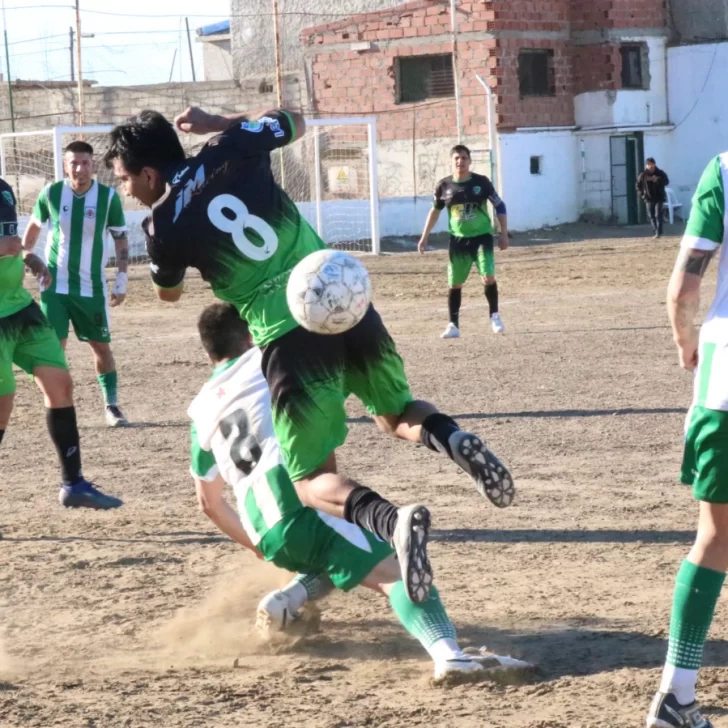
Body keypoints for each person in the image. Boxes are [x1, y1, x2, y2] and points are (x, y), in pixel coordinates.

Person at [103, 107, 515, 604]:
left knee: (310, 480)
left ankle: (392, 521)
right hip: (342, 293)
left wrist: (164, 258)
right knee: (395, 413)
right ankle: (455, 438)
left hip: (286, 332)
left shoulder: (161, 226)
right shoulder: (229, 148)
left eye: (125, 179)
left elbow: (167, 294)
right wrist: (218, 123)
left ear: (149, 173)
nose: (126, 191)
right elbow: (294, 120)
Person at [190, 302, 531, 682]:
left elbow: (210, 503)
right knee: (399, 570)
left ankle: (290, 597)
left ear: (209, 352)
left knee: (338, 550)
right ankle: (449, 655)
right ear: (251, 334)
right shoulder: (268, 358)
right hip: (297, 499)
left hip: (261, 524)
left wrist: (258, 546)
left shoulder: (200, 409)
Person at [645, 153, 728, 728]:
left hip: (723, 379)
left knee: (716, 536)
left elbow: (683, 288)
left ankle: (677, 692)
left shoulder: (724, 169)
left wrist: (684, 343)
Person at [0, 177, 122, 510]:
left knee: (60, 385)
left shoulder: (3, 187)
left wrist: (28, 257)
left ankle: (74, 484)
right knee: (2, 403)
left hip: (19, 306)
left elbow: (12, 241)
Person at [22, 141, 130, 427]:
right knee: (53, 350)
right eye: (74, 163)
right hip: (54, 287)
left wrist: (121, 278)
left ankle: (112, 405)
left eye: (85, 163)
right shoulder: (51, 194)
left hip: (91, 288)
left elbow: (121, 240)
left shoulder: (108, 198)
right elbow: (31, 234)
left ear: (93, 165)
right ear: (65, 166)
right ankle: (58, 408)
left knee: (101, 348)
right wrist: (28, 257)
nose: (79, 169)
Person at [417, 145, 509, 338]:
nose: (460, 162)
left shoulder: (481, 182)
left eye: (464, 158)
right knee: (454, 283)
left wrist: (503, 233)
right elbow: (435, 211)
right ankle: (453, 325)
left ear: (470, 161)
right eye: (457, 158)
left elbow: (500, 205)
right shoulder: (444, 186)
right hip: (458, 241)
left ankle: (494, 316)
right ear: (451, 162)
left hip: (482, 238)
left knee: (488, 276)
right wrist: (425, 236)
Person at [636, 157, 670, 239]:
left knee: (658, 214)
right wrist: (642, 195)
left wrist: (658, 180)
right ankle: (655, 231)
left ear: (654, 164)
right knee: (651, 216)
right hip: (648, 198)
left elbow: (666, 182)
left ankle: (659, 232)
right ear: (646, 166)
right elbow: (637, 186)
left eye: (651, 164)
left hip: (659, 197)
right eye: (648, 164)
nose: (650, 166)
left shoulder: (660, 173)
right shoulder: (643, 175)